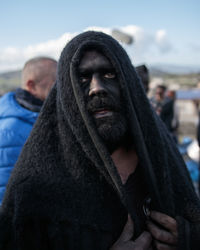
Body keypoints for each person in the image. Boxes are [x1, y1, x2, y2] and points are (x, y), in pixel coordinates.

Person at [0, 32, 200, 250]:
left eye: (109, 74)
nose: (97, 88)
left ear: (128, 83)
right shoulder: (34, 186)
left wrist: (188, 237)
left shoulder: (161, 153)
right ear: (67, 93)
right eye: (83, 78)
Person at [0, 56, 57, 204]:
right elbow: (5, 191)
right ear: (31, 86)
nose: (61, 88)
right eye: (55, 82)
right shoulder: (11, 131)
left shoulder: (42, 116)